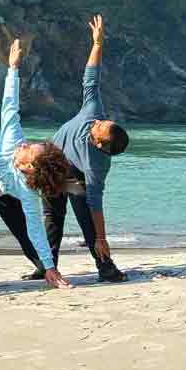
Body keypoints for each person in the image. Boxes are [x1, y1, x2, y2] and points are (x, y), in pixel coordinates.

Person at [0, 39, 73, 289]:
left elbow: (36, 228)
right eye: (30, 143)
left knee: (24, 232)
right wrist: (13, 68)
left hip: (0, 190)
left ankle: (46, 270)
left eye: (28, 150)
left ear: (30, 169)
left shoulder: (27, 190)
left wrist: (50, 266)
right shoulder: (12, 140)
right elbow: (10, 105)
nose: (24, 144)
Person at [36, 15, 129, 283]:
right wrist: (97, 44)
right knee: (52, 217)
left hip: (76, 176)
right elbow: (91, 79)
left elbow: (96, 204)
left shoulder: (97, 166)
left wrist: (102, 237)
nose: (98, 122)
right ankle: (46, 267)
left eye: (100, 127)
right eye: (103, 121)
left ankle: (105, 267)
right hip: (52, 165)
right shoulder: (93, 111)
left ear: (101, 144)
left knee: (87, 218)